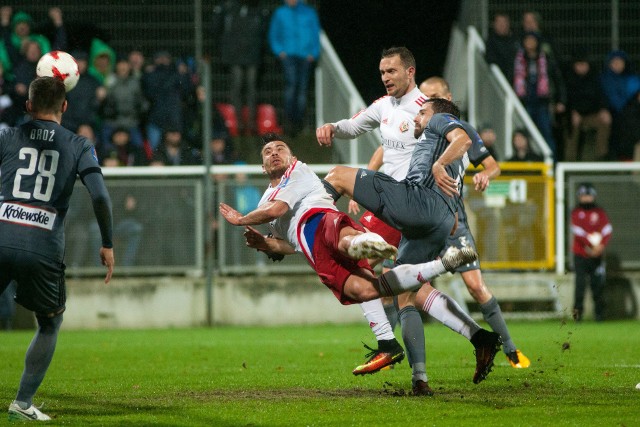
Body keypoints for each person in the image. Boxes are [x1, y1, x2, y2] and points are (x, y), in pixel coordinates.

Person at [220, 133, 501, 385]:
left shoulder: (428, 117)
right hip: (384, 207)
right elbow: (288, 242)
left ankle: (405, 360)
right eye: (268, 152)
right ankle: (469, 341)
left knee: (347, 220)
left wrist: (335, 133)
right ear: (262, 166)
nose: (274, 154)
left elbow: (354, 139)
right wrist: (264, 243)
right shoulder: (401, 114)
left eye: (280, 148)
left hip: (400, 202)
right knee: (384, 290)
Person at [316, 46, 432, 390]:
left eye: (392, 71)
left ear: (410, 72)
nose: (386, 78)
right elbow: (354, 126)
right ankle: (419, 375)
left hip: (406, 202)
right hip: (390, 204)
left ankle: (309, 214)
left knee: (338, 183)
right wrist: (333, 127)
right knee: (405, 293)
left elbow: (450, 144)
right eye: (382, 72)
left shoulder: (425, 110)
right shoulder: (384, 106)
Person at [0, 76, 114, 421]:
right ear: (65, 106)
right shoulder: (79, 144)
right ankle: (22, 402)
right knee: (50, 322)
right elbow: (100, 195)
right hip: (42, 245)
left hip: (2, 235)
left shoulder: (7, 136)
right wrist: (108, 243)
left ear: (28, 105)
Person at [420, 77, 530, 370]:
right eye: (423, 98)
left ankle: (509, 348)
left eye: (432, 97)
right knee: (400, 282)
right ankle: (398, 354)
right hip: (419, 218)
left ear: (447, 98)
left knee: (475, 286)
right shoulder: (417, 128)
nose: (426, 104)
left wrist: (485, 175)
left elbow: (492, 166)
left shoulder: (462, 131)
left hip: (453, 221)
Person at [213, 0, 270, 136]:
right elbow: (217, 28)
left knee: (249, 88)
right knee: (239, 87)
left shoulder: (257, 9)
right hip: (237, 55)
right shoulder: (229, 8)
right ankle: (240, 123)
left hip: (250, 54)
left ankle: (250, 124)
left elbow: (263, 30)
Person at [268, 0, 320, 136]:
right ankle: (289, 121)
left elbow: (315, 33)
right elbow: (274, 34)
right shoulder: (280, 12)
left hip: (305, 56)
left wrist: (313, 53)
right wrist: (280, 51)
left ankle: (298, 122)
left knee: (302, 89)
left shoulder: (309, 12)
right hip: (288, 55)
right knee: (292, 86)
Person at [513, 31, 566, 161]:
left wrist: (561, 100)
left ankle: (552, 162)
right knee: (525, 133)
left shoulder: (546, 58)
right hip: (525, 102)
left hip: (542, 102)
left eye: (533, 40)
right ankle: (526, 160)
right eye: (527, 40)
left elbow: (557, 79)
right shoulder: (518, 59)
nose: (530, 43)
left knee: (547, 133)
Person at [570, 183, 612, 322]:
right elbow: (577, 231)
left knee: (598, 285)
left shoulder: (599, 212)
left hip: (597, 256)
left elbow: (607, 229)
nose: (586, 198)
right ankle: (577, 316)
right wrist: (590, 246)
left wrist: (600, 246)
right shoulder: (576, 212)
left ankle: (600, 315)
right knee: (580, 286)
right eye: (583, 195)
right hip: (581, 255)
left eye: (588, 195)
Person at [563, 48, 612, 161]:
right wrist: (572, 112)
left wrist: (604, 109)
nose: (582, 67)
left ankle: (601, 157)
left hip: (591, 115)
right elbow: (565, 99)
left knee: (605, 121)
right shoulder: (567, 78)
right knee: (572, 125)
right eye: (579, 64)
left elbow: (601, 96)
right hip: (572, 115)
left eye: (584, 64)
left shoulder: (594, 77)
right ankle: (570, 161)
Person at [600, 50, 640, 160]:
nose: (617, 65)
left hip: (630, 113)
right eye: (614, 62)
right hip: (613, 113)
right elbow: (605, 98)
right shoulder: (604, 79)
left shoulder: (632, 78)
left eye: (620, 62)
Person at [484, 12, 519, 83]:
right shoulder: (490, 42)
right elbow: (491, 60)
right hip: (497, 80)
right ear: (494, 24)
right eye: (499, 22)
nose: (501, 25)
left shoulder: (516, 40)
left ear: (508, 24)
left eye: (504, 22)